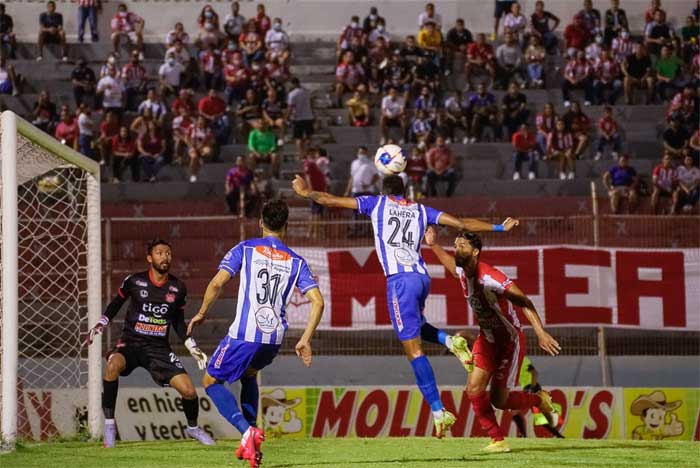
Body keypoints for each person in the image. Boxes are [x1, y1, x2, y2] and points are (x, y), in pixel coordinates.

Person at [292, 173, 520, 439]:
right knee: (415, 325)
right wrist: (499, 228)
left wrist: (305, 193)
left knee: (413, 350)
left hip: (399, 281)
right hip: (422, 278)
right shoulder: (420, 209)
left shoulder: (377, 203)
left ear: (384, 191)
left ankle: (438, 411)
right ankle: (450, 341)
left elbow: (330, 200)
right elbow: (461, 223)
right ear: (405, 191)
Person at [187, 200, 324, 468]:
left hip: (245, 334)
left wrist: (202, 312)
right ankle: (251, 442)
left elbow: (217, 283)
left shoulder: (246, 249)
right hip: (273, 338)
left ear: (261, 222)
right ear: (286, 226)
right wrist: (305, 339)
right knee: (249, 375)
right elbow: (318, 302)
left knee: (211, 381)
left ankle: (246, 431)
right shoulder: (297, 262)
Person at [424, 227, 560, 454]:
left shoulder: (490, 277)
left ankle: (538, 400)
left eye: (462, 246)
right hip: (487, 339)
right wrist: (433, 245)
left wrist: (540, 332)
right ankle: (498, 440)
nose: (457, 249)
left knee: (500, 401)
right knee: (473, 389)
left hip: (509, 342)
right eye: (455, 246)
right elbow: (451, 266)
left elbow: (524, 301)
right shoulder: (462, 272)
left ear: (475, 251)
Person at [86, 239, 215, 448]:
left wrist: (192, 346)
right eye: (159, 253)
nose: (165, 257)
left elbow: (178, 322)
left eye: (168, 253)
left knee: (189, 391)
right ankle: (109, 426)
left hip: (159, 349)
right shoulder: (134, 281)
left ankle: (192, 428)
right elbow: (116, 303)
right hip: (131, 343)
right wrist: (102, 321)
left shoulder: (178, 288)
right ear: (149, 257)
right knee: (112, 366)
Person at [510, 357, 565, 439]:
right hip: (528, 388)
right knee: (539, 417)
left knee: (517, 410)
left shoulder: (523, 359)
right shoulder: (515, 361)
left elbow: (535, 373)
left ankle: (523, 435)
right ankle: (558, 435)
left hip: (533, 388)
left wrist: (532, 388)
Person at [286, 77, 314, 157]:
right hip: (308, 116)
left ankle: (300, 153)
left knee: (298, 137)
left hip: (298, 118)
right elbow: (311, 103)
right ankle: (306, 151)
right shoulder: (307, 91)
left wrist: (287, 117)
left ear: (293, 84)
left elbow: (290, 107)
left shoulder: (292, 94)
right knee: (309, 136)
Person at [186, 116, 215, 183]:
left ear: (204, 122)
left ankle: (201, 160)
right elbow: (186, 138)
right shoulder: (192, 127)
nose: (200, 122)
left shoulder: (207, 130)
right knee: (194, 158)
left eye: (202, 120)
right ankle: (193, 174)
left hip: (202, 148)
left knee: (208, 152)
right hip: (193, 147)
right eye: (199, 120)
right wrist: (191, 147)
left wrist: (207, 141)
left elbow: (212, 141)